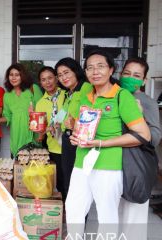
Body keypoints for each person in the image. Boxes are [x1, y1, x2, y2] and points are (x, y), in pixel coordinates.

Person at [66, 49, 151, 238]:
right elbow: (82, 128)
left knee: (106, 216)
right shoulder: (86, 96)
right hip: (82, 163)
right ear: (85, 73)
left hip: (108, 165)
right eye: (89, 68)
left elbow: (143, 134)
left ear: (111, 70)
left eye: (100, 66)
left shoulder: (122, 96)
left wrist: (101, 143)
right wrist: (75, 136)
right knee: (73, 210)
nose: (95, 71)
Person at [119, 57, 161, 239]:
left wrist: (140, 117)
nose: (130, 78)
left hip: (136, 165)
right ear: (120, 74)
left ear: (144, 80)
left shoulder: (147, 102)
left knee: (133, 218)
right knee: (115, 215)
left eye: (136, 75)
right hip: (114, 163)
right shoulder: (115, 96)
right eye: (127, 73)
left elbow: (155, 138)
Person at [55, 57, 92, 201]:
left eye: (66, 72)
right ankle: (70, 212)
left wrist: (75, 123)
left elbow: (90, 116)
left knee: (78, 180)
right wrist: (54, 124)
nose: (63, 77)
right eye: (60, 75)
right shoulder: (69, 93)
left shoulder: (86, 88)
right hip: (67, 139)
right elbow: (63, 113)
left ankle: (79, 218)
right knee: (67, 176)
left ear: (75, 71)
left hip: (79, 140)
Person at [0, 63, 43, 158]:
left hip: (33, 136)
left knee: (33, 170)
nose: (13, 78)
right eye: (11, 75)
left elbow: (42, 113)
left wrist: (33, 113)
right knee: (18, 169)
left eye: (17, 75)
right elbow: (7, 116)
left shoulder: (33, 88)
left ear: (23, 76)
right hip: (16, 137)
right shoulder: (7, 95)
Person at [35, 66, 66, 196]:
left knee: (72, 183)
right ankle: (63, 213)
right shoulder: (40, 103)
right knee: (59, 183)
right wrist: (41, 130)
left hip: (71, 145)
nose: (47, 82)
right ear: (40, 83)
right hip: (54, 148)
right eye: (43, 80)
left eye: (50, 78)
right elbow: (40, 135)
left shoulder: (67, 94)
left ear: (57, 79)